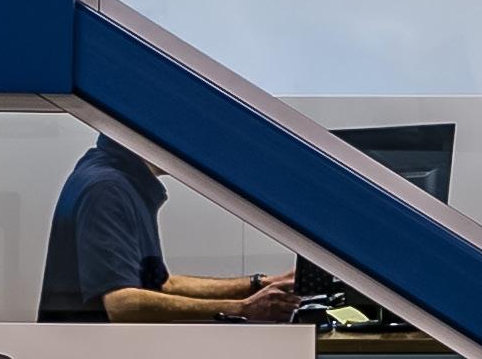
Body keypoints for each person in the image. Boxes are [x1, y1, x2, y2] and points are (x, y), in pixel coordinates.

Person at [35, 138, 295, 325]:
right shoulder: (107, 189)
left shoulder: (124, 183)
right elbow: (122, 304)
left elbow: (161, 284)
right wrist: (242, 309)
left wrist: (259, 284)